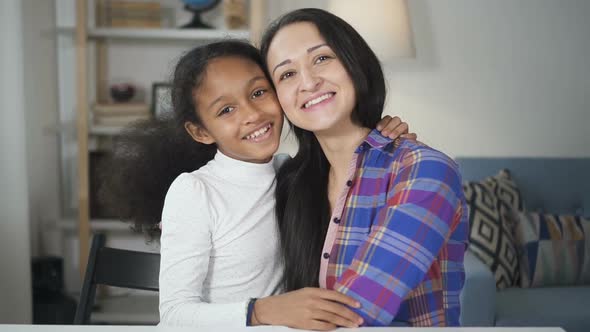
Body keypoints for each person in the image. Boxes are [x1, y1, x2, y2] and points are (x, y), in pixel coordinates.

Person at [100, 39, 415, 330]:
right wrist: (262, 310)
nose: (252, 114)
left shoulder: (291, 174)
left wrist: (386, 142)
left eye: (258, 92)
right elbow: (174, 317)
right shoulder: (194, 191)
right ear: (201, 132)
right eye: (226, 110)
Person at [257, 8, 469, 327]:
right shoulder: (287, 181)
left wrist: (263, 312)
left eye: (321, 58)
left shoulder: (425, 171)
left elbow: (354, 314)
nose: (309, 82)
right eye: (287, 74)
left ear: (355, 62)